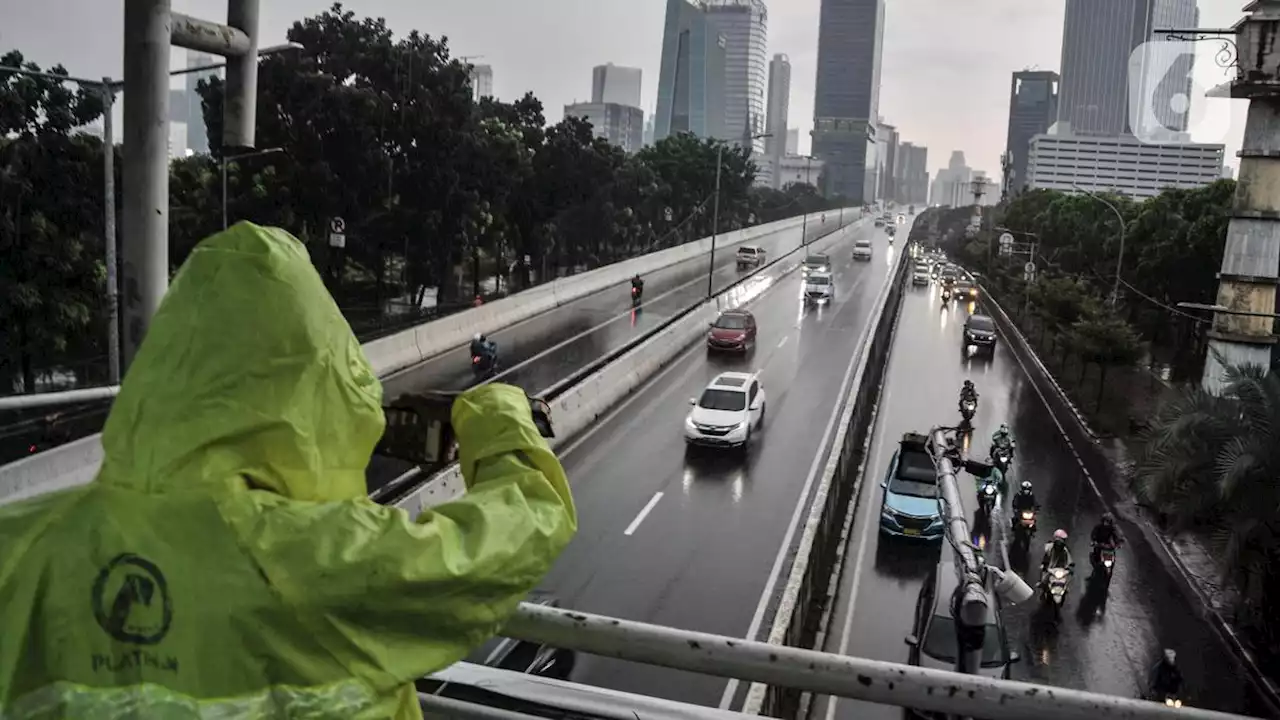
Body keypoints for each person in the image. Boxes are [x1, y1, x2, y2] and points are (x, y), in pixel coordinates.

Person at [0, 222, 578, 719]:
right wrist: (499, 417)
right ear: (321, 388)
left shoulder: (25, 551)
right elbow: (520, 527)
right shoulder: (323, 560)